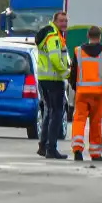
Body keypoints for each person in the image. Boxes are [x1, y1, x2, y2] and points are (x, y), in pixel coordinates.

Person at [68, 26, 102, 162]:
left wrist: (75, 87)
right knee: (96, 123)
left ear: (87, 36)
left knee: (79, 120)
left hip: (82, 93)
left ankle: (77, 149)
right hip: (98, 94)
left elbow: (73, 74)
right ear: (100, 37)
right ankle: (95, 153)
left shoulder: (78, 52)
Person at [35, 11, 70, 160]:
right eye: (61, 21)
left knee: (49, 112)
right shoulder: (54, 37)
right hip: (54, 79)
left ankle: (43, 146)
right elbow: (55, 58)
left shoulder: (49, 34)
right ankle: (51, 148)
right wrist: (67, 73)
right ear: (54, 21)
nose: (64, 24)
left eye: (66, 21)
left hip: (44, 78)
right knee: (56, 113)